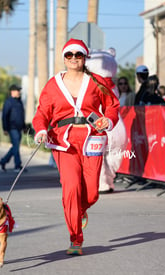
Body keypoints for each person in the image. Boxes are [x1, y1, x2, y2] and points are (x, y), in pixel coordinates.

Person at [32, 38, 119, 255]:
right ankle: (75, 239)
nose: (73, 59)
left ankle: (80, 211)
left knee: (91, 193)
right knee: (71, 188)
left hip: (92, 138)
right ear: (64, 58)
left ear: (84, 57)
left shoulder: (97, 81)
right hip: (63, 142)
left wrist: (108, 120)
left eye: (78, 55)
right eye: (69, 55)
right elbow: (42, 112)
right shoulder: (53, 84)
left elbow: (112, 106)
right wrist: (41, 129)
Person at [85, 48, 128, 194]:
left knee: (118, 144)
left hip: (112, 121)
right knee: (97, 150)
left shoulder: (112, 86)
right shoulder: (88, 85)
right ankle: (101, 182)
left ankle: (107, 180)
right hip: (94, 122)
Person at [0, 84, 26, 172]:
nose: (19, 92)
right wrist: (5, 128)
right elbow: (5, 116)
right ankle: (17, 165)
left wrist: (24, 127)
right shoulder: (8, 102)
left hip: (19, 128)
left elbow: (22, 116)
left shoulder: (19, 101)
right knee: (16, 146)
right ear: (12, 92)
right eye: (18, 91)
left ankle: (3, 161)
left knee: (15, 146)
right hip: (12, 128)